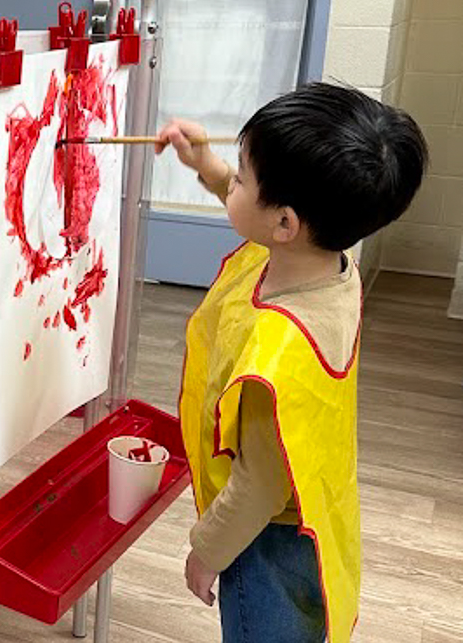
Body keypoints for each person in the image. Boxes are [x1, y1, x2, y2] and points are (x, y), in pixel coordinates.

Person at [155, 83, 427, 643]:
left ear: (284, 224)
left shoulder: (279, 353)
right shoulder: (327, 264)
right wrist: (208, 166)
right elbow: (258, 216)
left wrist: (205, 552)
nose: (232, 183)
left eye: (240, 177)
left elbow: (259, 485)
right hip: (316, 505)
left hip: (268, 541)